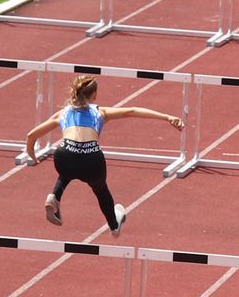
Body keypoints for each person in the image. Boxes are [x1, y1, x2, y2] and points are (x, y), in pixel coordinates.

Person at [21, 75, 181, 237]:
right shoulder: (100, 112)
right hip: (91, 160)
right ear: (94, 95)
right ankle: (114, 224)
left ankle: (54, 197)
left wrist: (32, 155)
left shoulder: (62, 113)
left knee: (67, 170)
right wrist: (167, 117)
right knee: (100, 189)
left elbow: (31, 136)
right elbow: (131, 111)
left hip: (64, 155)